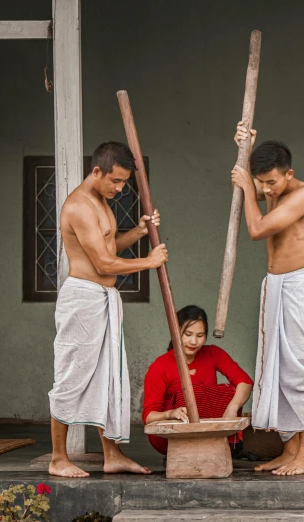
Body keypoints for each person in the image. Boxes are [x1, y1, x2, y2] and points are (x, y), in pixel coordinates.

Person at [48, 142, 168, 478]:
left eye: (123, 183)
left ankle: (112, 455)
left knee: (107, 377)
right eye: (114, 181)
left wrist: (140, 232)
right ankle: (58, 458)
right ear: (97, 170)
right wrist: (149, 261)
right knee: (71, 377)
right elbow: (102, 262)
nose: (118, 188)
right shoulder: (80, 206)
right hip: (83, 298)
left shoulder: (101, 201)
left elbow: (107, 246)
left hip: (103, 298)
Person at [230, 122, 304, 476]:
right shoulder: (272, 188)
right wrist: (242, 149)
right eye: (262, 181)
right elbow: (244, 191)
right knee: (279, 368)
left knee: (301, 367)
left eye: (272, 182)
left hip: (300, 286)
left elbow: (256, 228)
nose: (266, 188)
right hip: (276, 285)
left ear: (289, 174)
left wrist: (245, 184)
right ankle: (289, 449)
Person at [142, 305, 253, 455]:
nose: (194, 341)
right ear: (176, 331)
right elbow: (149, 416)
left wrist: (232, 407)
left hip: (207, 430)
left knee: (230, 392)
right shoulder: (160, 366)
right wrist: (171, 413)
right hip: (170, 437)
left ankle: (218, 444)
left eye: (200, 336)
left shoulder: (213, 353)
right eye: (188, 334)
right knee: (187, 394)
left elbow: (245, 382)